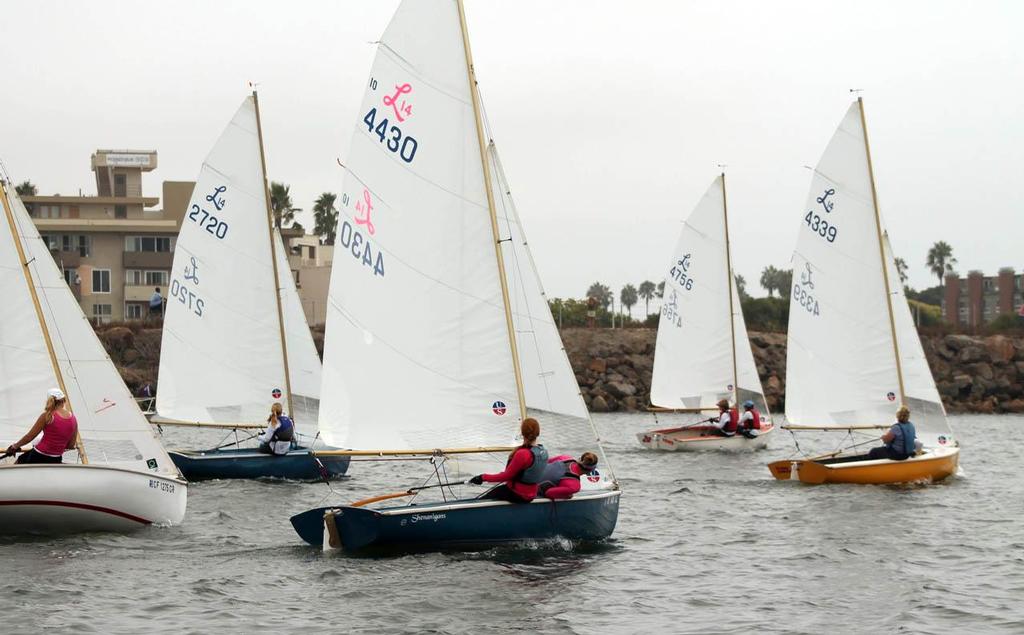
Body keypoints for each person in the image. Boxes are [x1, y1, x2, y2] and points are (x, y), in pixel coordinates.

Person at [469, 417, 548, 503]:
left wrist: (482, 477)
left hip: (518, 494)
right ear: (538, 433)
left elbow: (506, 476)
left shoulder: (523, 454)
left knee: (483, 500)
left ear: (522, 433)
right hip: (532, 494)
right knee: (500, 489)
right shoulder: (543, 451)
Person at [3, 388, 78, 464]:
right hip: (56, 458)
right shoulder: (73, 419)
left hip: (39, 455)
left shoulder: (47, 416)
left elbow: (29, 437)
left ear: (49, 401)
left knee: (20, 461)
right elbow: (71, 445)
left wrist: (14, 447)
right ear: (64, 400)